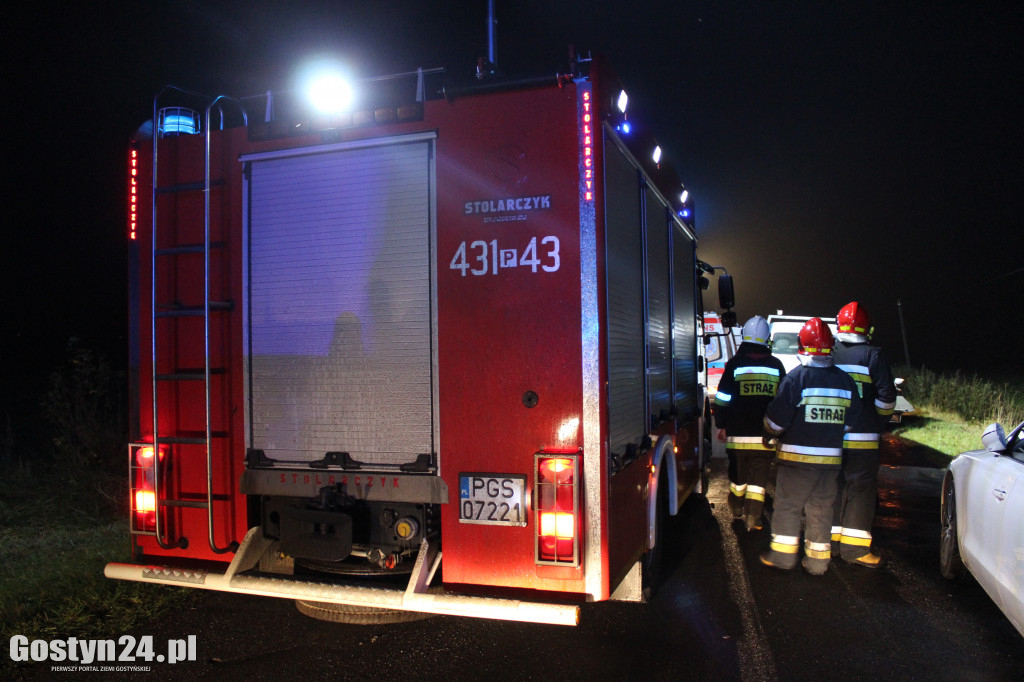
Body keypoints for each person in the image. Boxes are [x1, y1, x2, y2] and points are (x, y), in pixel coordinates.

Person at [760, 318, 861, 575]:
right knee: (822, 509)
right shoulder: (846, 382)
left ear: (802, 347)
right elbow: (849, 423)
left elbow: (776, 420)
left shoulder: (796, 379)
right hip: (829, 465)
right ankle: (818, 564)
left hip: (796, 463)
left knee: (788, 506)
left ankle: (783, 558)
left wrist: (769, 434)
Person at [830, 301, 897, 568]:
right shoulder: (873, 356)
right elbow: (887, 399)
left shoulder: (829, 353)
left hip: (829, 438)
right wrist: (878, 423)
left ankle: (826, 544)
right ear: (867, 328)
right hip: (863, 439)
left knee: (830, 488)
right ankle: (854, 551)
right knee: (860, 490)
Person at [713, 315, 786, 531]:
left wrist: (722, 424)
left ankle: (736, 505)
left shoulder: (735, 364)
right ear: (767, 340)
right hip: (765, 436)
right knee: (758, 481)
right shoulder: (776, 366)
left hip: (737, 435)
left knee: (738, 477)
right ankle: (753, 517)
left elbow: (722, 398)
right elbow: (783, 402)